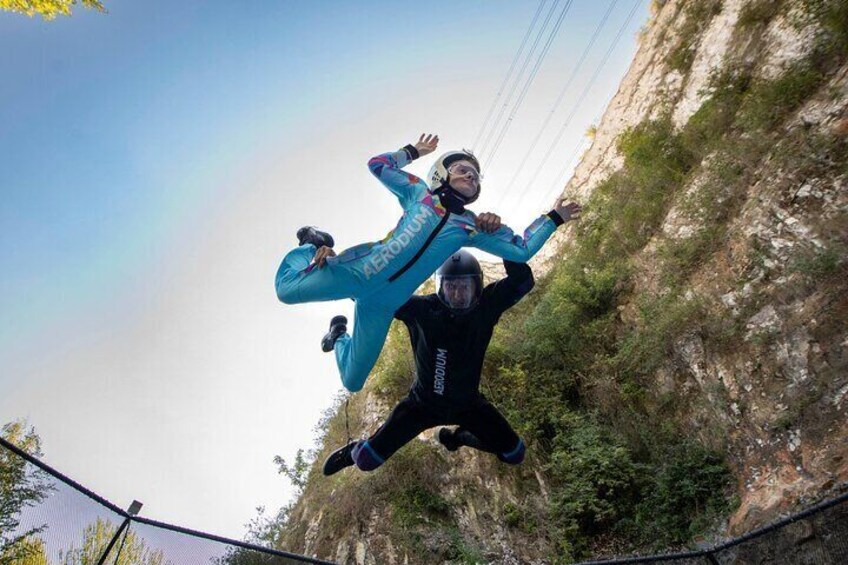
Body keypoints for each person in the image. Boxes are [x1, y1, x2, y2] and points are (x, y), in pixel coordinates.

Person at [275, 133, 581, 392]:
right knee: (286, 290)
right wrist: (412, 152)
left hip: (383, 304)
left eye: (475, 176)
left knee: (353, 381)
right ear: (441, 175)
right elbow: (378, 165)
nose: (470, 175)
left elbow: (521, 250)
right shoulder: (418, 193)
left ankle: (339, 336)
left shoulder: (470, 226)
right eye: (462, 169)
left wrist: (553, 219)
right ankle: (312, 244)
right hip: (358, 272)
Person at [322, 250, 534, 475]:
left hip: (469, 406)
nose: (458, 293)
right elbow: (369, 292)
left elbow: (523, 281)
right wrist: (334, 262)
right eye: (451, 286)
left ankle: (458, 437)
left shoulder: (487, 305)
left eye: (465, 287)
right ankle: (338, 336)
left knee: (515, 453)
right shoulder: (422, 309)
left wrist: (502, 245)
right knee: (365, 460)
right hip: (421, 406)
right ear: (441, 287)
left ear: (477, 287)